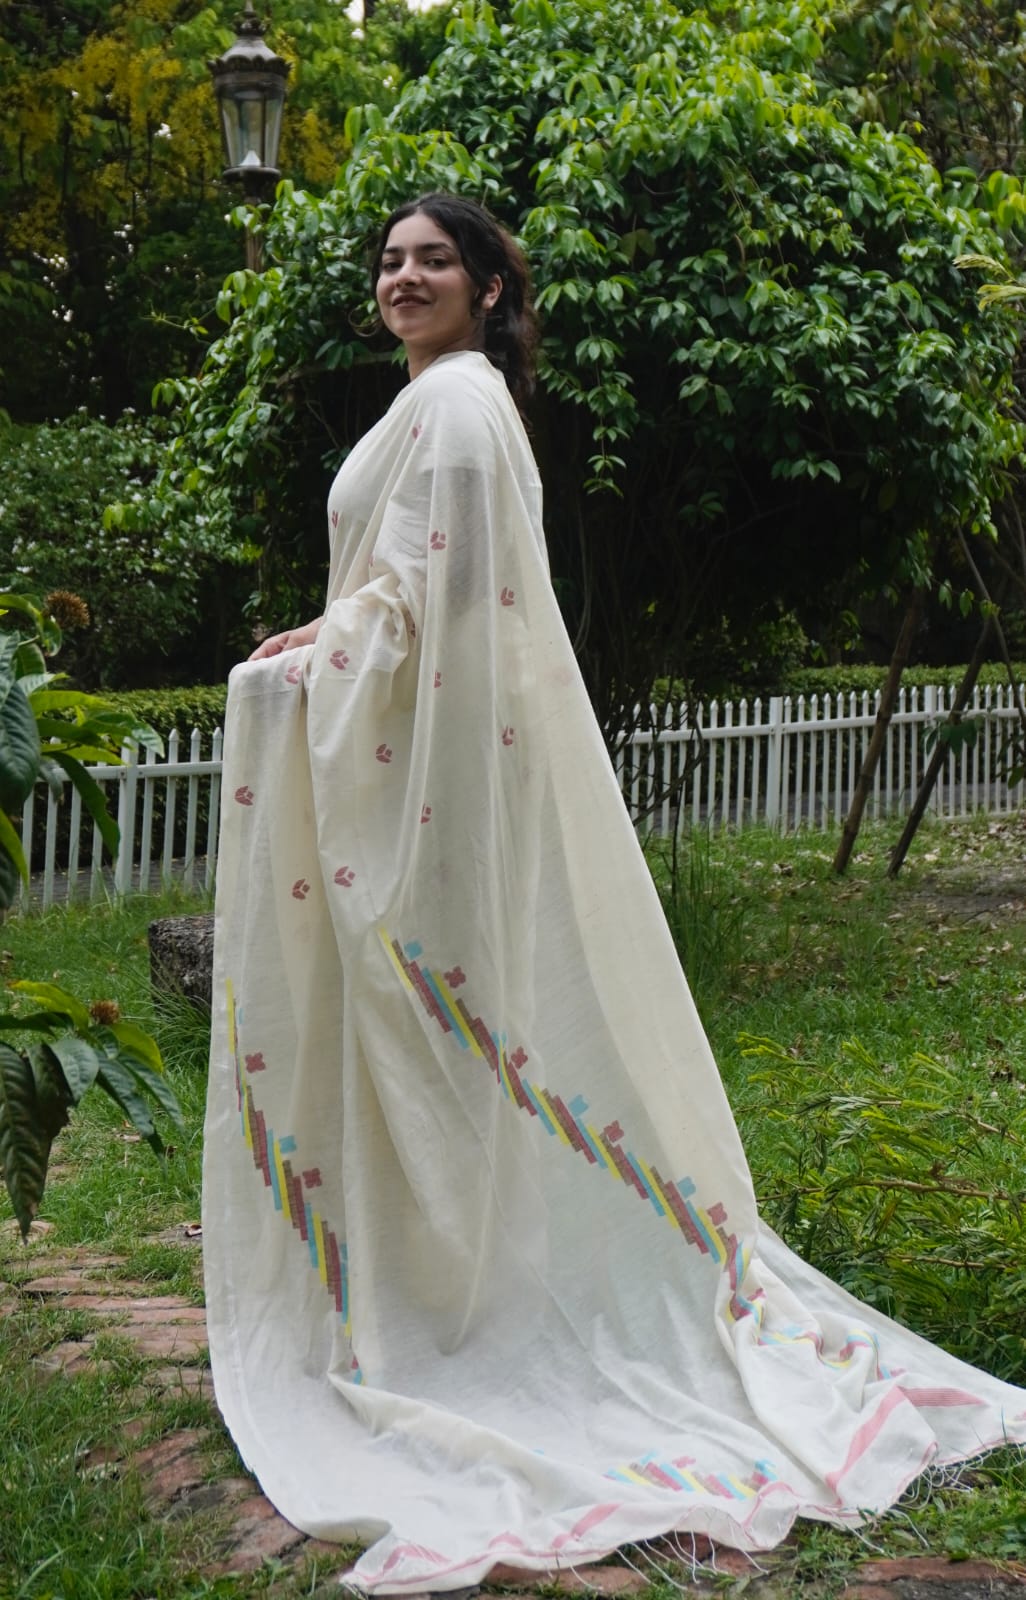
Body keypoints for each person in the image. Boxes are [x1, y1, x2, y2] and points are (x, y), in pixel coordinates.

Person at [203, 194, 1026, 1595]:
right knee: (439, 1025)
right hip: (431, 763)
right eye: (391, 260)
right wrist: (329, 635)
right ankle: (434, 1286)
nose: (404, 276)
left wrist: (323, 661)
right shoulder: (440, 402)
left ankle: (471, 1297)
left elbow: (438, 606)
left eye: (434, 259)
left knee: (447, 1019)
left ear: (487, 287)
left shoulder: (458, 406)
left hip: (438, 781)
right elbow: (398, 593)